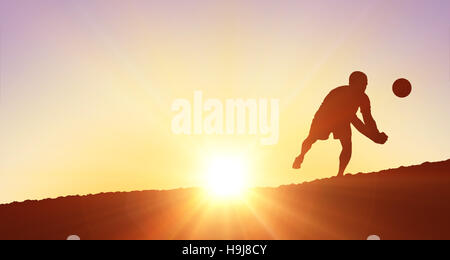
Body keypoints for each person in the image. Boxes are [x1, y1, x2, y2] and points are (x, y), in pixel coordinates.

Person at [293, 71, 388, 177]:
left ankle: (340, 174)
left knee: (347, 145)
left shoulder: (364, 98)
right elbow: (356, 122)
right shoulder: (339, 93)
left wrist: (376, 134)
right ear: (352, 83)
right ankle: (301, 156)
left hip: (343, 120)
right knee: (311, 138)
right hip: (324, 117)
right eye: (362, 83)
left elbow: (368, 119)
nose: (365, 86)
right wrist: (374, 136)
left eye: (366, 83)